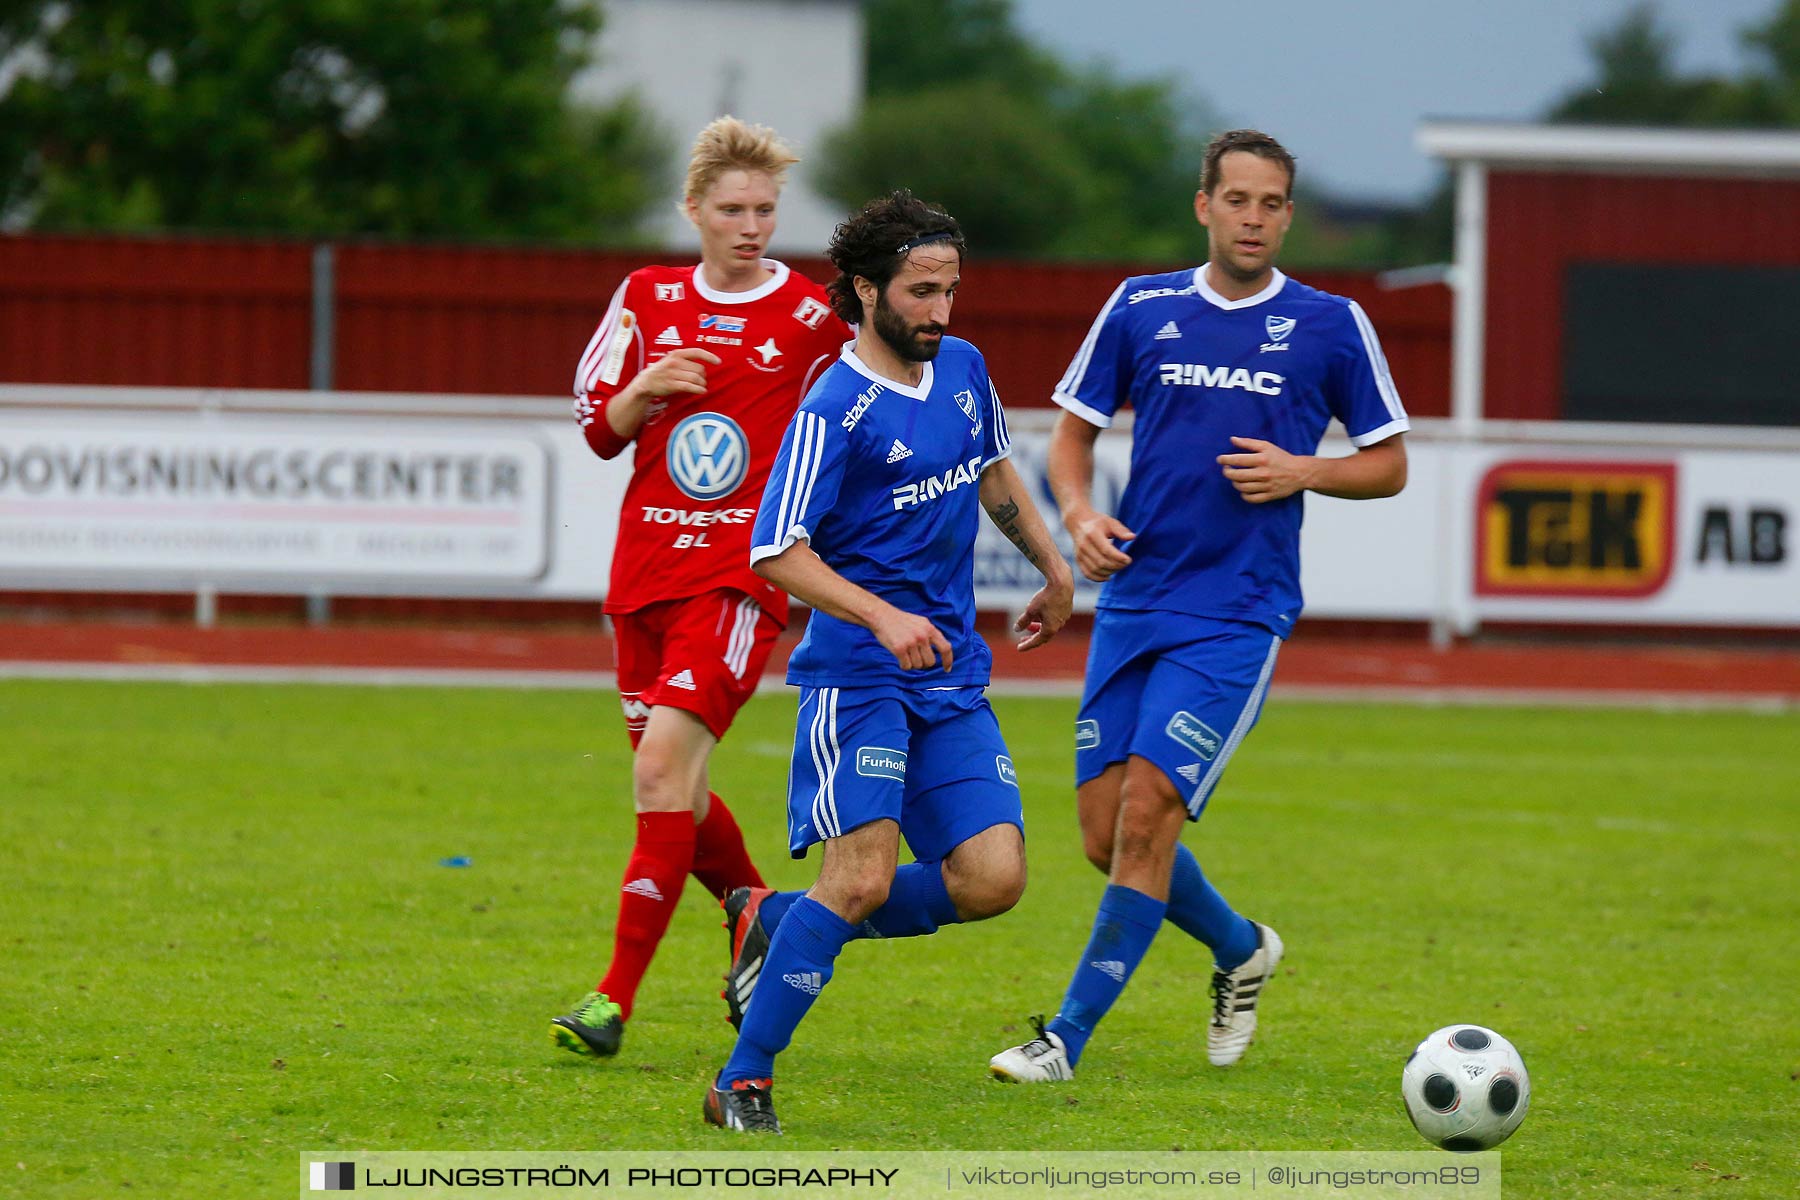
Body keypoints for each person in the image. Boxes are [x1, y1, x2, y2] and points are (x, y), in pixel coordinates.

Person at [988, 129, 1409, 1082]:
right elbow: (1070, 436)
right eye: (1238, 200)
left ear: (1288, 215)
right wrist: (1083, 512)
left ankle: (1065, 1039)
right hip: (1137, 598)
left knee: (1149, 816)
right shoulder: (1143, 306)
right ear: (1203, 205)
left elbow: (1389, 465)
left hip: (1238, 608)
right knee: (1103, 837)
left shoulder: (1332, 323)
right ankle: (1240, 948)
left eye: (1271, 204)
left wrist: (1307, 469)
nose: (1253, 218)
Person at [701, 190, 1074, 1133]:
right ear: (866, 291)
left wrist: (1054, 566)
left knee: (995, 879)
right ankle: (741, 1080)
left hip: (949, 679)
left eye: (950, 289)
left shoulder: (964, 369)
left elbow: (992, 472)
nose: (941, 312)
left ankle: (780, 919)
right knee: (862, 878)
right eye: (920, 291)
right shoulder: (836, 406)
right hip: (859, 677)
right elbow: (775, 548)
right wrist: (880, 618)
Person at [551, 116, 851, 1059]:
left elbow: (864, 407)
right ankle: (754, 908)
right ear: (694, 212)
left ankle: (611, 1001)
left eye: (765, 209)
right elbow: (599, 426)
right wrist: (649, 385)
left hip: (734, 582)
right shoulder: (646, 295)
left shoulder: (810, 317)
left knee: (653, 773)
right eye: (732, 209)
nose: (751, 225)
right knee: (678, 793)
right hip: (644, 575)